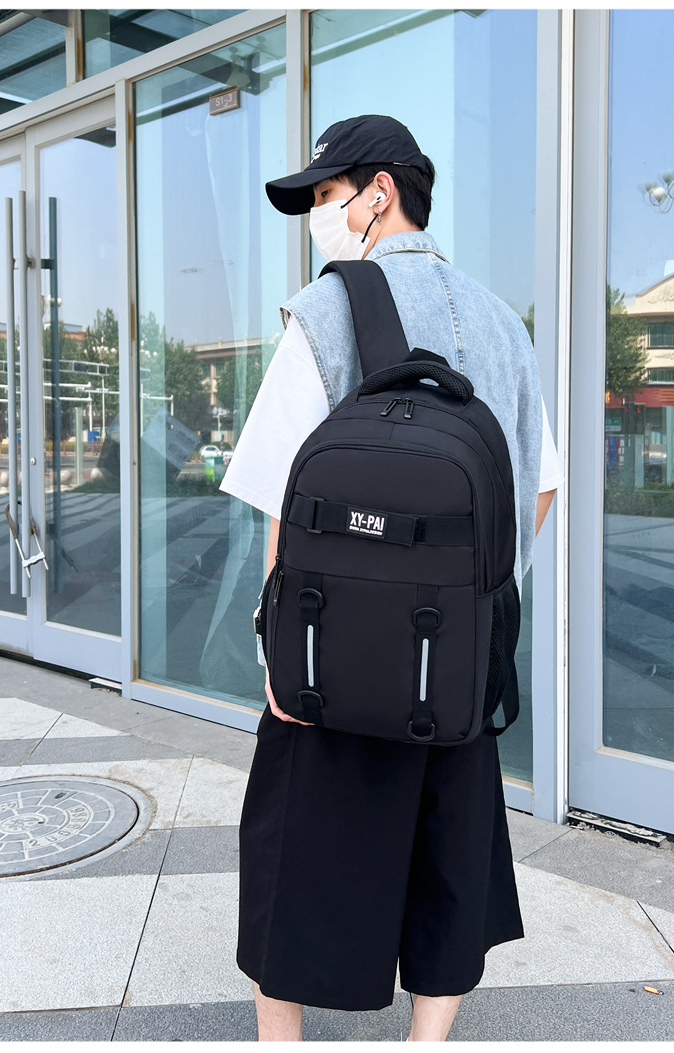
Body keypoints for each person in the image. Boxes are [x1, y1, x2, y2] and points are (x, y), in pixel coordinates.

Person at [221, 115, 560, 1042]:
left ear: (380, 193)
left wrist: (280, 647)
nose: (318, 217)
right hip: (457, 659)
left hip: (334, 655)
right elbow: (541, 485)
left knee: (292, 856)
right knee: (451, 854)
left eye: (327, 195)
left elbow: (281, 495)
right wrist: (471, 600)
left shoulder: (325, 310)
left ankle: (282, 1042)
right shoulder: (503, 323)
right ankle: (426, 1041)